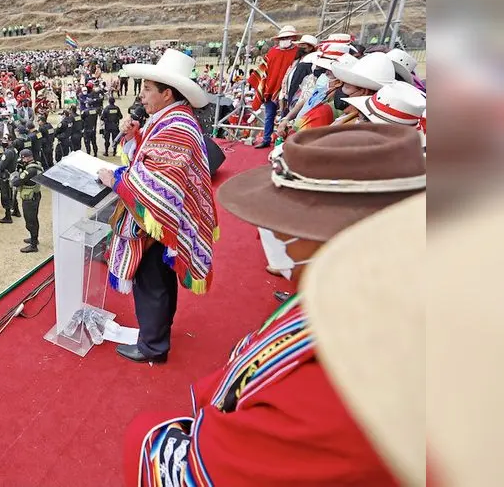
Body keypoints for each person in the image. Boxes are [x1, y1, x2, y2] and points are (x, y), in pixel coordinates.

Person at [125, 127, 426, 486]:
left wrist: (143, 432)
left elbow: (196, 472)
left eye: (286, 222)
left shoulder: (334, 390)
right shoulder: (377, 298)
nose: (267, 234)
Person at [97, 49, 217, 364]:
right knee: (160, 279)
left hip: (160, 221)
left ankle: (153, 346)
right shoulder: (171, 118)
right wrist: (133, 137)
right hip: (168, 221)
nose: (141, 94)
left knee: (151, 282)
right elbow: (148, 161)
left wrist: (116, 181)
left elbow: (157, 186)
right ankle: (158, 333)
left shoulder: (176, 127)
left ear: (167, 93)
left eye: (148, 88)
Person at [254, 25, 301, 148]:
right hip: (270, 89)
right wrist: (263, 86)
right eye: (282, 38)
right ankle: (266, 139)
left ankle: (282, 143)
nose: (285, 40)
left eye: (287, 37)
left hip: (287, 91)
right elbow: (264, 69)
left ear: (293, 38)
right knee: (269, 116)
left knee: (285, 117)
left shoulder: (298, 52)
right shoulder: (273, 52)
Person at [11, 148, 44, 253]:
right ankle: (34, 239)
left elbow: (16, 182)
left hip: (30, 199)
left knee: (30, 221)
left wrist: (15, 176)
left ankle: (33, 245)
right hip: (35, 195)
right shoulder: (36, 164)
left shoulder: (29, 171)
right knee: (34, 219)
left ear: (25, 158)